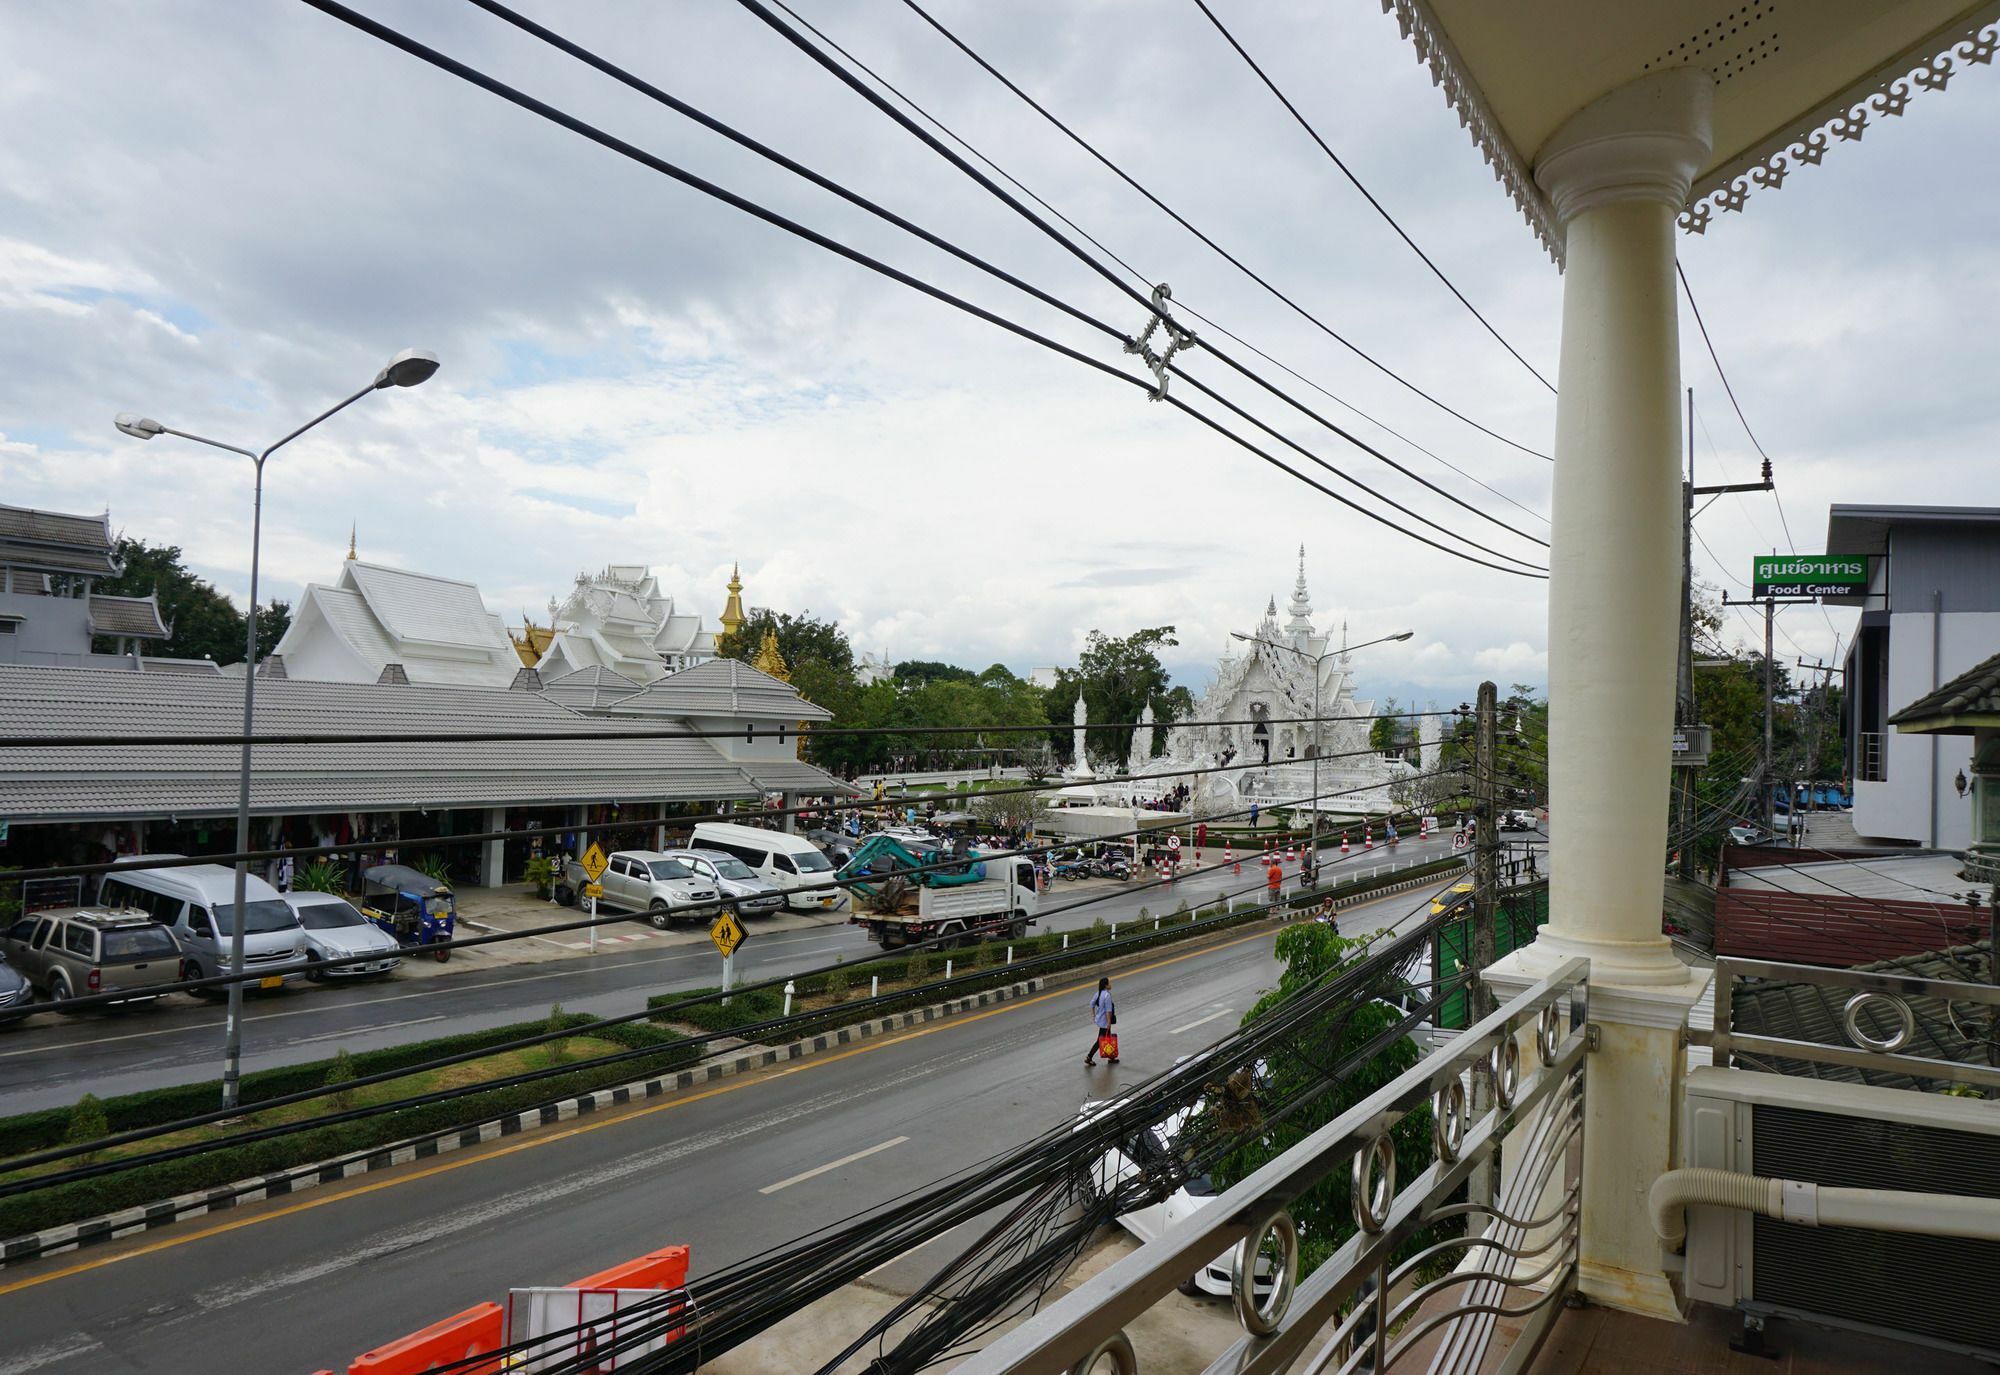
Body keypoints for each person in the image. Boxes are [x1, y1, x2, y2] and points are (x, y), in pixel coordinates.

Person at [1085, 976, 1117, 1066]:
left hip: (1100, 1020)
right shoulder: (1107, 995)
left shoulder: (1098, 994)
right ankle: (1089, 1057)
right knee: (1100, 1041)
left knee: (1108, 1038)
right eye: (1109, 983)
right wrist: (1109, 1022)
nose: (1110, 985)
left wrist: (1094, 1016)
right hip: (1105, 1022)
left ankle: (1111, 1057)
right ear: (1106, 985)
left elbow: (1091, 1005)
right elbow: (1108, 1011)